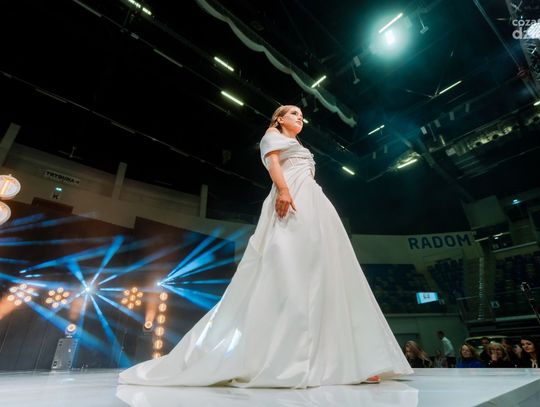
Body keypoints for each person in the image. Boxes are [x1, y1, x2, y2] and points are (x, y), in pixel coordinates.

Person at [118, 105, 413, 388]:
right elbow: (273, 164)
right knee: (288, 265)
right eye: (293, 113)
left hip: (315, 202)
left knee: (328, 270)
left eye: (302, 114)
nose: (300, 117)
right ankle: (290, 357)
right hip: (292, 198)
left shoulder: (299, 145)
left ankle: (348, 360)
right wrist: (283, 191)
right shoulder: (272, 136)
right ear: (279, 119)